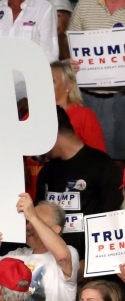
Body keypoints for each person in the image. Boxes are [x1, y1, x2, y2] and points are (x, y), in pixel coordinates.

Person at [0, 193, 77, 301]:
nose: (28, 226)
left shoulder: (69, 252)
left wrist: (33, 216)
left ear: (56, 230)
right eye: (27, 221)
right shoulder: (15, 255)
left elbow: (63, 256)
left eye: (37, 221)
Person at [35, 107, 123, 264]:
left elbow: (112, 221)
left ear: (51, 133)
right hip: (51, 264)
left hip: (89, 268)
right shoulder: (47, 171)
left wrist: (90, 263)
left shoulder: (103, 166)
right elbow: (37, 220)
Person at [68, 0, 125, 162]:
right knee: (86, 161)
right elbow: (70, 46)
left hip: (122, 97)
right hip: (87, 96)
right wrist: (70, 63)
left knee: (119, 162)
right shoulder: (84, 7)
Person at [51, 60, 106, 152]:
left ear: (68, 85)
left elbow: (98, 158)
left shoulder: (84, 116)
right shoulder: (31, 116)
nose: (45, 84)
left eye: (52, 81)